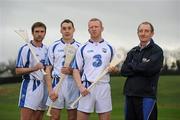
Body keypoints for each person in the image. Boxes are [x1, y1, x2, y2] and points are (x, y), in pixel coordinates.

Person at [73, 18, 117, 120]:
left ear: (102, 28)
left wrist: (113, 69)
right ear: (88, 30)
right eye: (91, 27)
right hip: (87, 87)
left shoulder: (110, 47)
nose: (93, 29)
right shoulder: (82, 48)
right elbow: (76, 70)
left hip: (103, 86)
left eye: (96, 27)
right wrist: (80, 87)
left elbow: (115, 69)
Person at [121, 21, 164, 120]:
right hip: (130, 94)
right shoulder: (133, 51)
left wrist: (132, 65)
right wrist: (140, 66)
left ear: (152, 33)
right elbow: (123, 71)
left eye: (146, 31)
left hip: (146, 96)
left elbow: (149, 69)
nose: (143, 33)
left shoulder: (157, 51)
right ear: (138, 33)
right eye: (140, 31)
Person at [45, 19, 80, 120]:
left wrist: (71, 71)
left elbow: (82, 70)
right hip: (57, 83)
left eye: (69, 28)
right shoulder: (53, 46)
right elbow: (48, 69)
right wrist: (50, 90)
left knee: (72, 117)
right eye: (64, 28)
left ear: (74, 30)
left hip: (73, 84)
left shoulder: (80, 47)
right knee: (54, 117)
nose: (67, 31)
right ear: (60, 30)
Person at [16, 22, 48, 120]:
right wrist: (34, 68)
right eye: (37, 31)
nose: (39, 34)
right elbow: (18, 70)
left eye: (42, 31)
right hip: (30, 86)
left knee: (38, 118)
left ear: (45, 33)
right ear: (32, 33)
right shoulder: (25, 49)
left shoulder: (47, 49)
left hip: (44, 86)